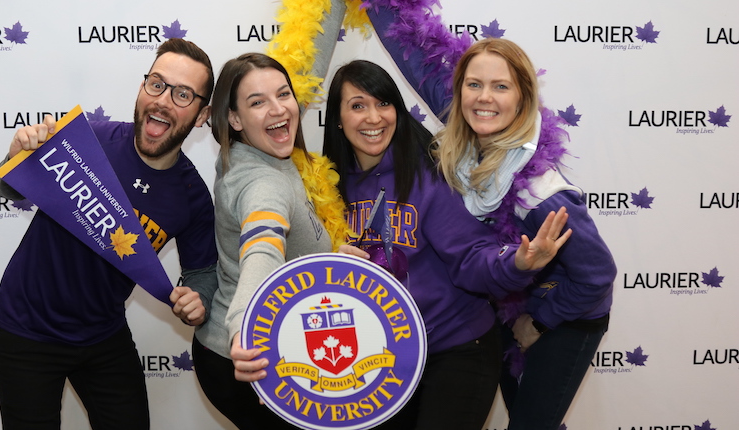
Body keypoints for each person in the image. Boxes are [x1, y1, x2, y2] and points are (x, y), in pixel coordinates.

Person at [367, 4, 617, 429]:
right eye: (474, 84)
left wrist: (539, 322)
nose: (484, 97)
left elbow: (596, 275)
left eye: (500, 86)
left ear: (522, 98)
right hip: (505, 300)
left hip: (567, 314)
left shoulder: (540, 194)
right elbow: (410, 54)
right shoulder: (470, 126)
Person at [322, 59, 572, 430]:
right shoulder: (325, 187)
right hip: (381, 359)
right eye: (357, 105)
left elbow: (472, 258)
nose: (373, 117)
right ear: (338, 120)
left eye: (383, 103)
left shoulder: (429, 174)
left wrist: (517, 264)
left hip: (455, 348)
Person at [0, 38, 218, 429]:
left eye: (183, 94)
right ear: (142, 88)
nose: (163, 100)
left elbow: (201, 274)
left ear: (201, 115)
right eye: (157, 84)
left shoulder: (193, 197)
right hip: (25, 330)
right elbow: (11, 190)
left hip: (103, 337)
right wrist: (16, 155)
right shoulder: (88, 139)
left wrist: (199, 301)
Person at [191, 52, 335, 430]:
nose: (279, 109)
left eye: (284, 94)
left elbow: (309, 67)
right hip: (242, 356)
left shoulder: (263, 141)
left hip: (247, 348)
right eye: (257, 102)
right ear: (234, 119)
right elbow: (263, 247)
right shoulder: (261, 183)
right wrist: (245, 328)